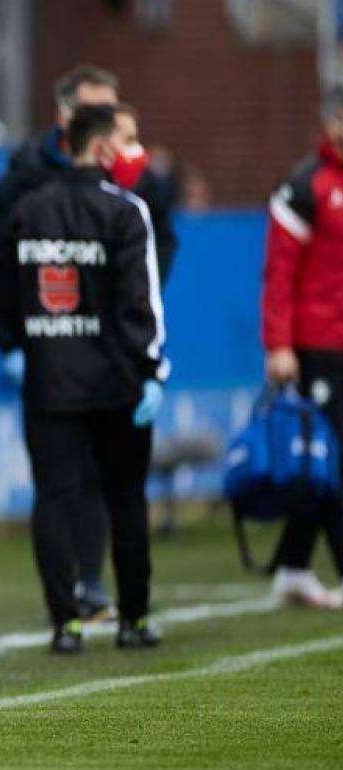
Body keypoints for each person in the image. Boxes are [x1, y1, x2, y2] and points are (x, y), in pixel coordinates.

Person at [0, 104, 169, 654]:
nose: (132, 152)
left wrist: (15, 346)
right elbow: (140, 304)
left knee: (54, 498)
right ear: (103, 148)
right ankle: (133, 619)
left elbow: (0, 288)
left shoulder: (26, 209)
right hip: (117, 384)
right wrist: (153, 371)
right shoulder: (126, 211)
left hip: (48, 380)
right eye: (126, 141)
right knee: (125, 499)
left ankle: (64, 624)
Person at [260, 86, 343, 610]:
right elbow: (279, 272)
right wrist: (279, 344)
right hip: (317, 346)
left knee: (320, 464)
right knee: (330, 459)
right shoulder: (304, 187)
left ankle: (293, 566)